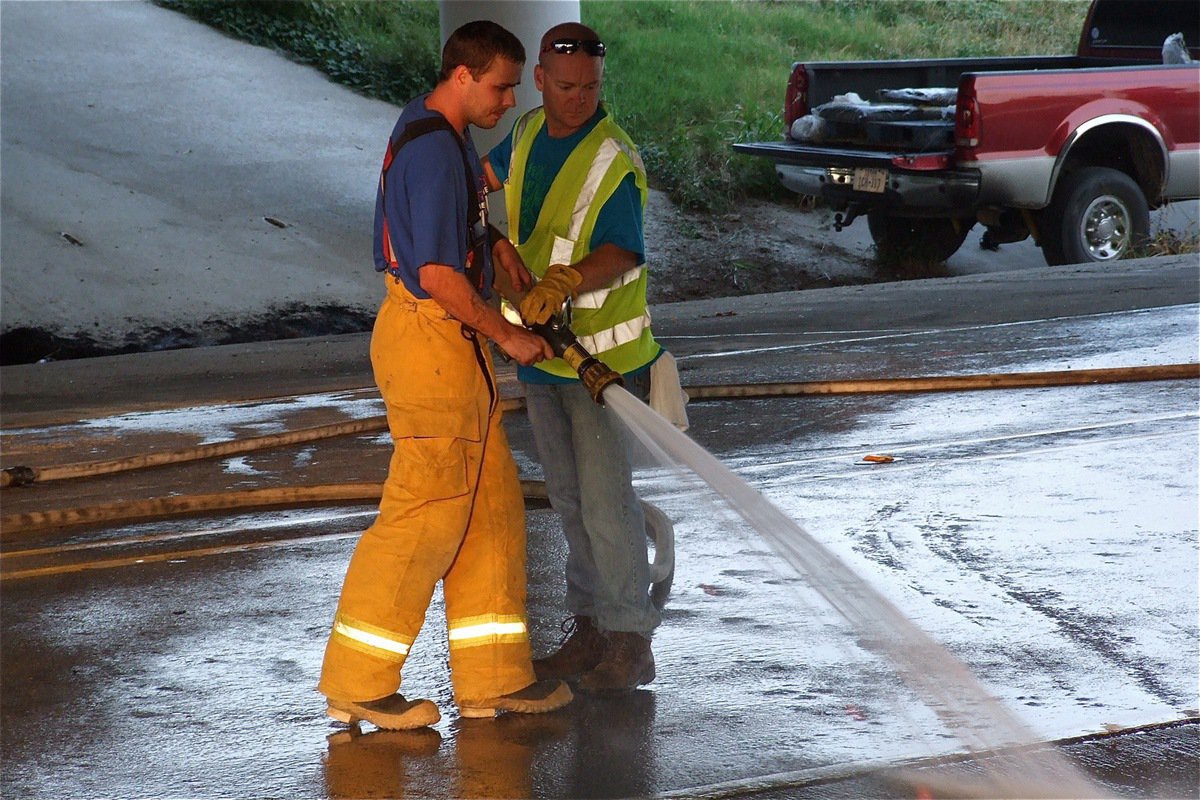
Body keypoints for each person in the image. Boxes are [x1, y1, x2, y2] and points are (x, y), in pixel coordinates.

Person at [317, 20, 572, 730]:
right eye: (499, 87)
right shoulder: (433, 150)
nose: (507, 100)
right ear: (463, 77)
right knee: (422, 520)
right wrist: (511, 338)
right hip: (433, 341)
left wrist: (498, 250)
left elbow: (457, 232)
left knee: (490, 515)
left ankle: (493, 680)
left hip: (452, 347)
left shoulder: (443, 134)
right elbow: (435, 276)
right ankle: (359, 683)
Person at [483, 21, 662, 693]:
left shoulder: (613, 158)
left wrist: (564, 281)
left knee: (607, 504)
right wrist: (493, 243)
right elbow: (488, 181)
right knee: (568, 499)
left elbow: (622, 251)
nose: (578, 98)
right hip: (540, 353)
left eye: (590, 87)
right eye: (565, 87)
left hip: (600, 363)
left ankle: (629, 641)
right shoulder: (528, 131)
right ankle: (589, 630)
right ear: (538, 80)